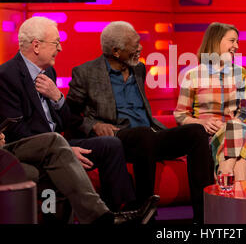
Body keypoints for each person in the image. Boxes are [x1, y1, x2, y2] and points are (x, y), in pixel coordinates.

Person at [0, 16, 157, 219]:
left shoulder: (49, 72)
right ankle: (104, 219)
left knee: (110, 145)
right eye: (56, 43)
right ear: (36, 46)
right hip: (22, 150)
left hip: (56, 144)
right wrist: (61, 151)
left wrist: (57, 97)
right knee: (57, 143)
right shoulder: (6, 76)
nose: (60, 49)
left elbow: (66, 121)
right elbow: (16, 131)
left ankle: (120, 211)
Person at [65, 21, 215, 224]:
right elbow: (69, 116)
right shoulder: (85, 73)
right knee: (143, 135)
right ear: (116, 51)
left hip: (149, 136)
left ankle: (205, 216)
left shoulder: (139, 69)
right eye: (135, 44)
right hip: (120, 138)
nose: (140, 48)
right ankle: (145, 213)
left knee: (196, 132)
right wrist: (93, 126)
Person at [0, 131, 157, 224]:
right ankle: (103, 219)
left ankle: (99, 218)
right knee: (50, 157)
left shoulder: (47, 77)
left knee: (53, 155)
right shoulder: (6, 74)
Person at [174, 22, 246, 181]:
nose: (237, 46)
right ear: (216, 41)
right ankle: (241, 200)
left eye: (237, 41)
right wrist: (201, 122)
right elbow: (180, 115)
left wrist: (229, 125)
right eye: (232, 41)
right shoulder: (192, 75)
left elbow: (245, 113)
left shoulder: (240, 74)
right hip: (209, 135)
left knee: (234, 127)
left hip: (238, 130)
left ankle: (224, 170)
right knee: (242, 162)